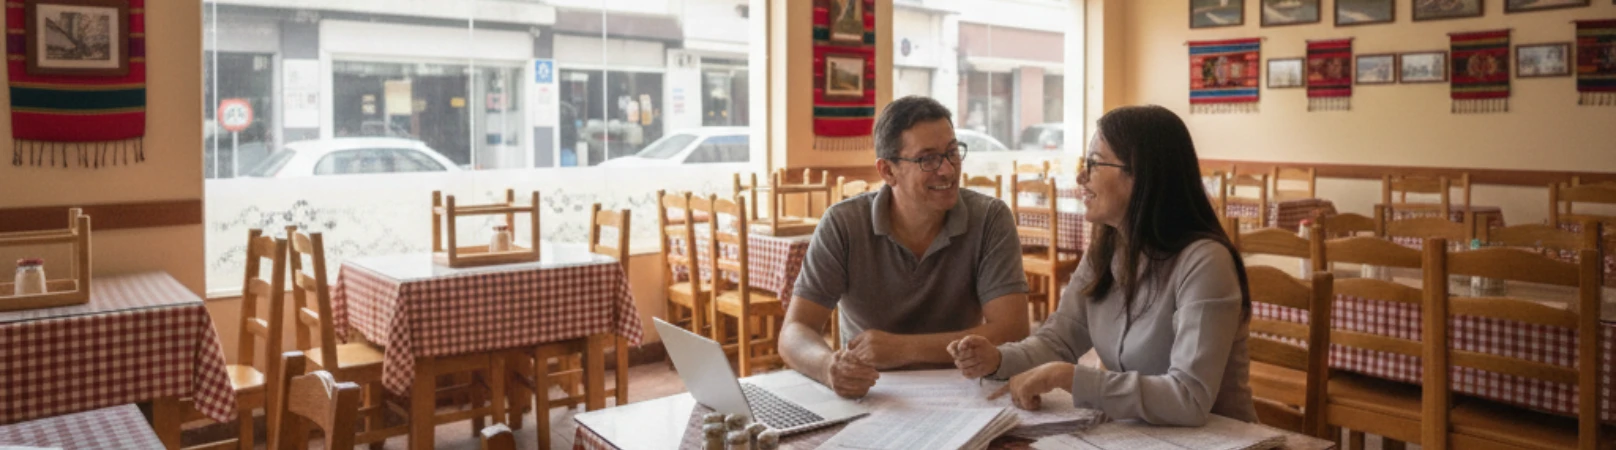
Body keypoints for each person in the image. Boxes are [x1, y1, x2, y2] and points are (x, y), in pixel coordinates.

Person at [949, 105, 1256, 426]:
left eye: (1094, 163)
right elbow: (1059, 340)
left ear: (1140, 173)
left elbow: (1189, 398)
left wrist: (1071, 378)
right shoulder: (1108, 250)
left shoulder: (1205, 262)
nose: (1081, 176)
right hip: (1147, 437)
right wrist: (998, 359)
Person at [779, 96, 1031, 399]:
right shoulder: (844, 223)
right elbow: (795, 331)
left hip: (962, 390)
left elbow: (1013, 329)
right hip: (873, 391)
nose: (948, 170)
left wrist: (902, 349)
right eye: (928, 159)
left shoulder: (990, 218)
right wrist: (827, 367)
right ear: (887, 171)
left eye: (952, 152)